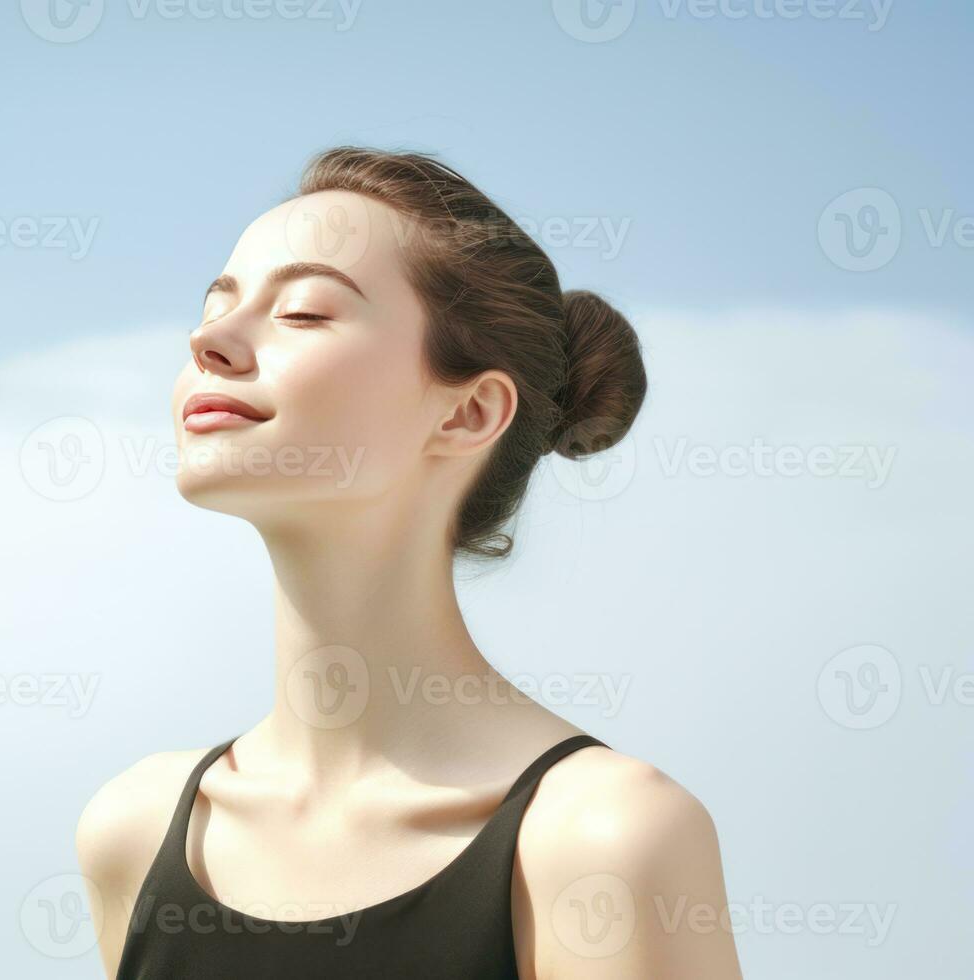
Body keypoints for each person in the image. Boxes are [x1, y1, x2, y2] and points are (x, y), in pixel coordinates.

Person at [75, 146, 744, 979]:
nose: (210, 340)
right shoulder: (133, 833)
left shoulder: (600, 840)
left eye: (306, 313)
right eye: (218, 305)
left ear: (468, 412)